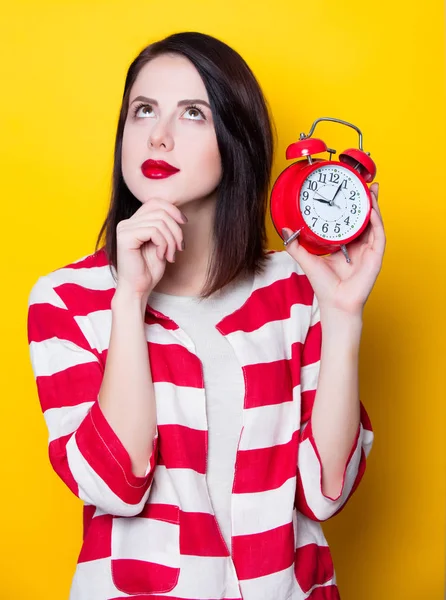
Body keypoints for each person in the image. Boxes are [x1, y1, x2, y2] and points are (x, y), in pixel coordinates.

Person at [27, 31, 385, 600]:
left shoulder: (296, 291)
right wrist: (130, 300)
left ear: (234, 138)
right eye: (142, 111)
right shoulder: (68, 299)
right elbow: (116, 486)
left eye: (193, 113)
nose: (159, 136)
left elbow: (325, 493)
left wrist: (343, 317)